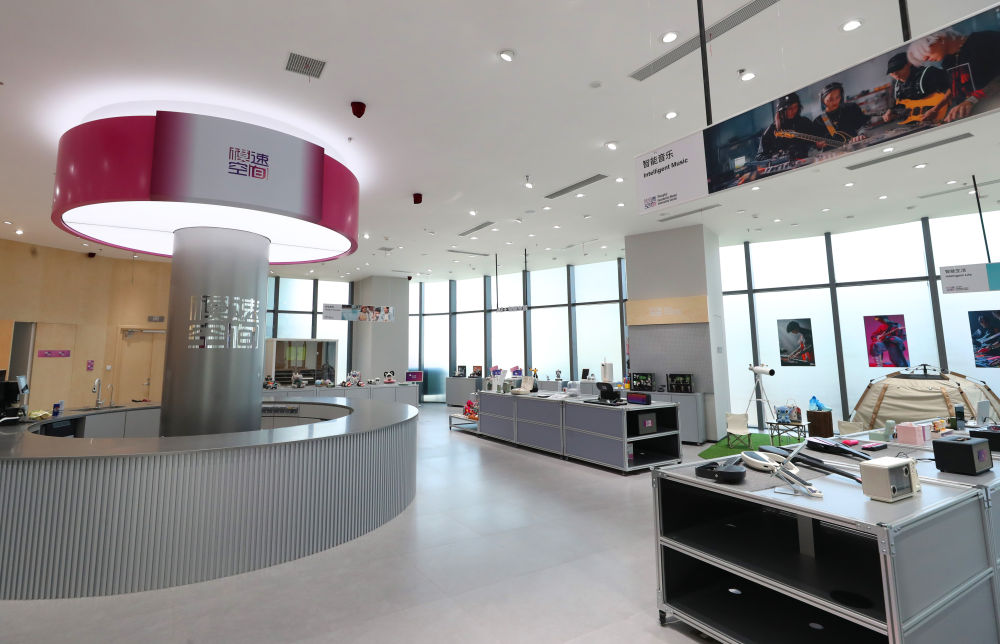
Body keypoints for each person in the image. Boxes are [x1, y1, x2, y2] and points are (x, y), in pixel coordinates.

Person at [908, 28, 1000, 122]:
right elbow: (955, 87)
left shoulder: (985, 40)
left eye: (925, 52)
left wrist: (972, 100)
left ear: (940, 39)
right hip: (968, 118)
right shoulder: (947, 62)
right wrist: (936, 108)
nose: (924, 59)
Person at [881, 52, 950, 123]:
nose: (895, 74)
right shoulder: (896, 86)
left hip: (946, 116)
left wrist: (936, 109)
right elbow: (900, 106)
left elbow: (951, 90)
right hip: (920, 122)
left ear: (909, 63)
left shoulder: (929, 73)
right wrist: (891, 111)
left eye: (898, 69)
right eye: (892, 72)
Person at [756, 93, 821, 160]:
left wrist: (818, 146)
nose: (793, 111)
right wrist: (777, 156)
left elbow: (817, 142)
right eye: (789, 108)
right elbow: (760, 157)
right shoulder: (771, 130)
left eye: (795, 107)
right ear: (781, 110)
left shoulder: (805, 122)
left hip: (807, 161)